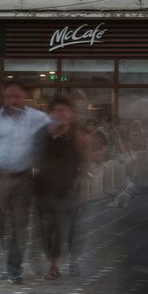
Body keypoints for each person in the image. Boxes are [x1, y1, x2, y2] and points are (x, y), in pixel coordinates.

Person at [0, 81, 49, 283]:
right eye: (8, 96)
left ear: (24, 96)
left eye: (16, 96)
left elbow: (54, 132)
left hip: (23, 179)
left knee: (19, 225)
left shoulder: (37, 118)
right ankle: (10, 256)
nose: (12, 101)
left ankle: (14, 268)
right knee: (2, 225)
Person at [35, 96, 89, 280]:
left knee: (66, 226)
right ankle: (53, 260)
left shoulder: (78, 135)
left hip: (69, 188)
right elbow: (36, 157)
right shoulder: (42, 134)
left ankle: (60, 263)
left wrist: (79, 181)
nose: (62, 114)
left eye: (65, 110)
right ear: (50, 113)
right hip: (45, 188)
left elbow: (85, 161)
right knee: (47, 228)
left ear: (71, 114)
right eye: (57, 110)